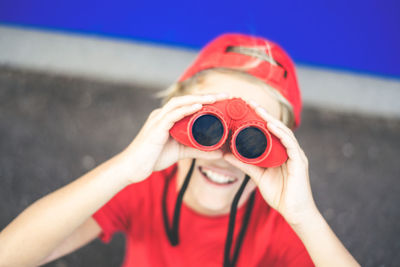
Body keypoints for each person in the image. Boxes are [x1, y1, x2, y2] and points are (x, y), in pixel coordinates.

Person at [0, 34, 360, 267]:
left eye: (253, 140)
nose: (224, 153)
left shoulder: (282, 226)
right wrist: (124, 168)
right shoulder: (141, 187)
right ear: (174, 117)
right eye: (208, 126)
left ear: (282, 149)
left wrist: (305, 217)